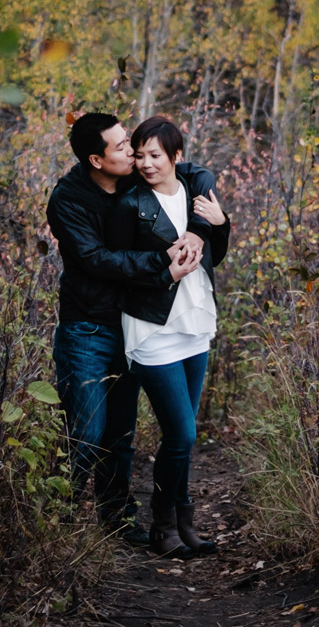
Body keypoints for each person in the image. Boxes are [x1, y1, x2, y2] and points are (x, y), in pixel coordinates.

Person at [46, 112, 205, 545]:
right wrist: (161, 265)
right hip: (88, 330)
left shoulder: (136, 177)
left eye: (131, 144)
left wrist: (199, 229)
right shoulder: (68, 200)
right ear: (97, 160)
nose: (133, 153)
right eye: (122, 147)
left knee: (120, 432)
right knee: (87, 430)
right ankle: (55, 526)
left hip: (132, 324)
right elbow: (96, 260)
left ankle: (116, 518)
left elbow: (190, 169)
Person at [107, 115, 231, 559]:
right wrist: (164, 271)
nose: (144, 163)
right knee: (182, 433)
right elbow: (119, 269)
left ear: (176, 157)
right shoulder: (129, 206)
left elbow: (215, 249)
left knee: (183, 436)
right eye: (138, 155)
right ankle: (162, 523)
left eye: (154, 155)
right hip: (152, 328)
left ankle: (183, 520)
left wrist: (220, 221)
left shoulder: (196, 194)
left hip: (194, 322)